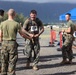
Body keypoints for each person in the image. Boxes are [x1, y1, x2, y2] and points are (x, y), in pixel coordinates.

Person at [0, 9, 32, 75]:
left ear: (7, 14)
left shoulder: (2, 23)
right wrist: (29, 38)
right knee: (12, 61)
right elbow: (22, 34)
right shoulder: (16, 24)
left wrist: (1, 42)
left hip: (4, 43)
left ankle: (3, 73)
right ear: (14, 14)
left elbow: (0, 35)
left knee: (3, 61)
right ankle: (11, 73)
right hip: (12, 44)